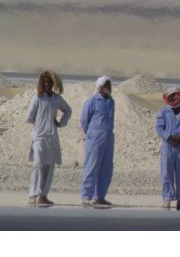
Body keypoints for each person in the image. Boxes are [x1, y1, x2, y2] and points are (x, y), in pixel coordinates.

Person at [26, 70, 72, 207]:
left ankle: (43, 195)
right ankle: (33, 194)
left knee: (49, 166)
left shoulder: (57, 99)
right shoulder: (37, 98)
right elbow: (29, 117)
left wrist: (60, 123)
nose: (48, 85)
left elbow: (68, 110)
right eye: (45, 83)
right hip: (39, 136)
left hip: (52, 137)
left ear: (53, 84)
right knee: (38, 165)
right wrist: (39, 124)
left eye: (50, 83)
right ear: (42, 84)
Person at [80, 76, 116, 208]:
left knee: (106, 168)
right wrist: (91, 134)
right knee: (91, 166)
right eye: (106, 85)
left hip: (108, 138)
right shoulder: (92, 101)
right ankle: (86, 196)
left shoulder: (111, 102)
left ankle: (99, 197)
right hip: (95, 138)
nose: (109, 88)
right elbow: (84, 120)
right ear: (100, 87)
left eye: (109, 85)